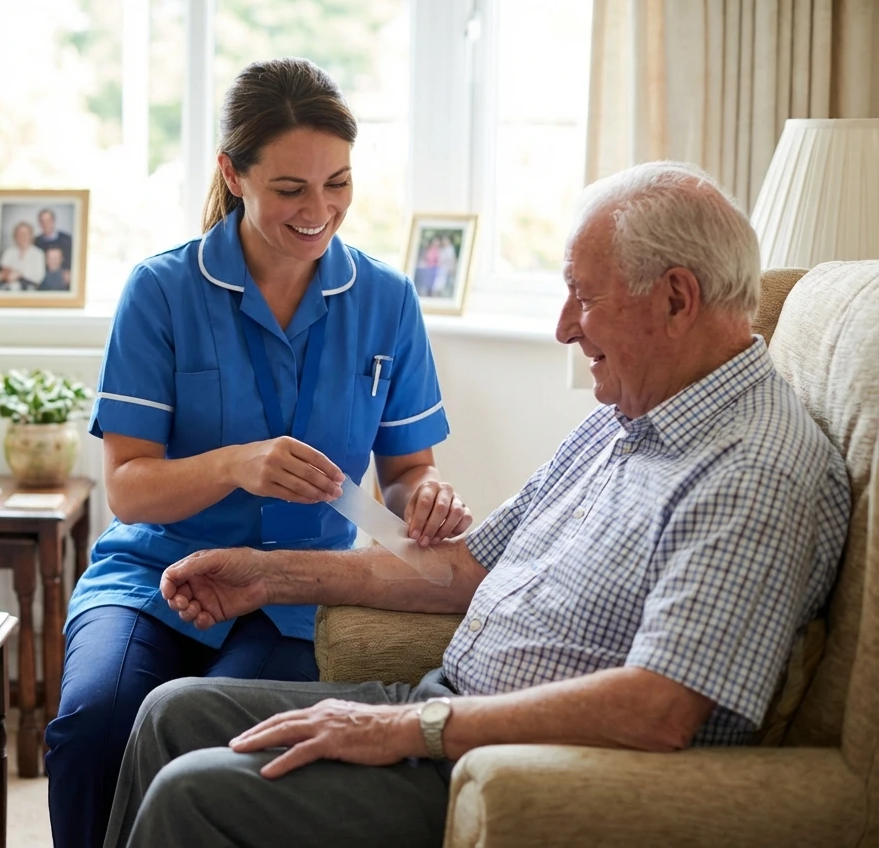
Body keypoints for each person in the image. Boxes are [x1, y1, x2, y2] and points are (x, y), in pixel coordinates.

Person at [102, 161, 853, 847]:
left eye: (584, 298)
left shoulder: (752, 470)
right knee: (170, 711)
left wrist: (407, 727)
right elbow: (461, 569)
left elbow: (658, 709)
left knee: (193, 795)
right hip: (446, 705)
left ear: (677, 298)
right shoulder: (626, 419)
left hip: (505, 760)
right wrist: (271, 577)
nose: (563, 327)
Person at [46, 57, 470, 848]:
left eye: (338, 183)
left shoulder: (387, 300)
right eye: (290, 189)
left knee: (213, 751)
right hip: (154, 577)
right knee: (94, 726)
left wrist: (429, 501)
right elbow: (130, 490)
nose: (320, 211)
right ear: (233, 175)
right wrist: (236, 464)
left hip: (294, 592)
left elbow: (408, 476)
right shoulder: (161, 292)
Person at [0, 221, 46, 290]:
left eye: (26, 234)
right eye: (19, 234)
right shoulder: (9, 252)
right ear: (15, 236)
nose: (23, 236)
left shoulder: (38, 253)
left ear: (31, 236)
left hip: (29, 290)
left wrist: (19, 274)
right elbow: (4, 271)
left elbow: (39, 276)